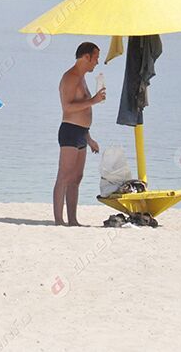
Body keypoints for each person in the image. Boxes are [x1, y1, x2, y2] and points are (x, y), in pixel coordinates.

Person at [55, 42, 105, 226]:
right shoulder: (70, 77)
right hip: (69, 131)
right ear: (86, 57)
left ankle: (73, 220)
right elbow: (67, 107)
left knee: (76, 178)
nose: (97, 62)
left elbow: (82, 110)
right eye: (96, 57)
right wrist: (93, 101)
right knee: (64, 176)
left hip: (82, 133)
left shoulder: (82, 78)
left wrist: (89, 138)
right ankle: (59, 220)